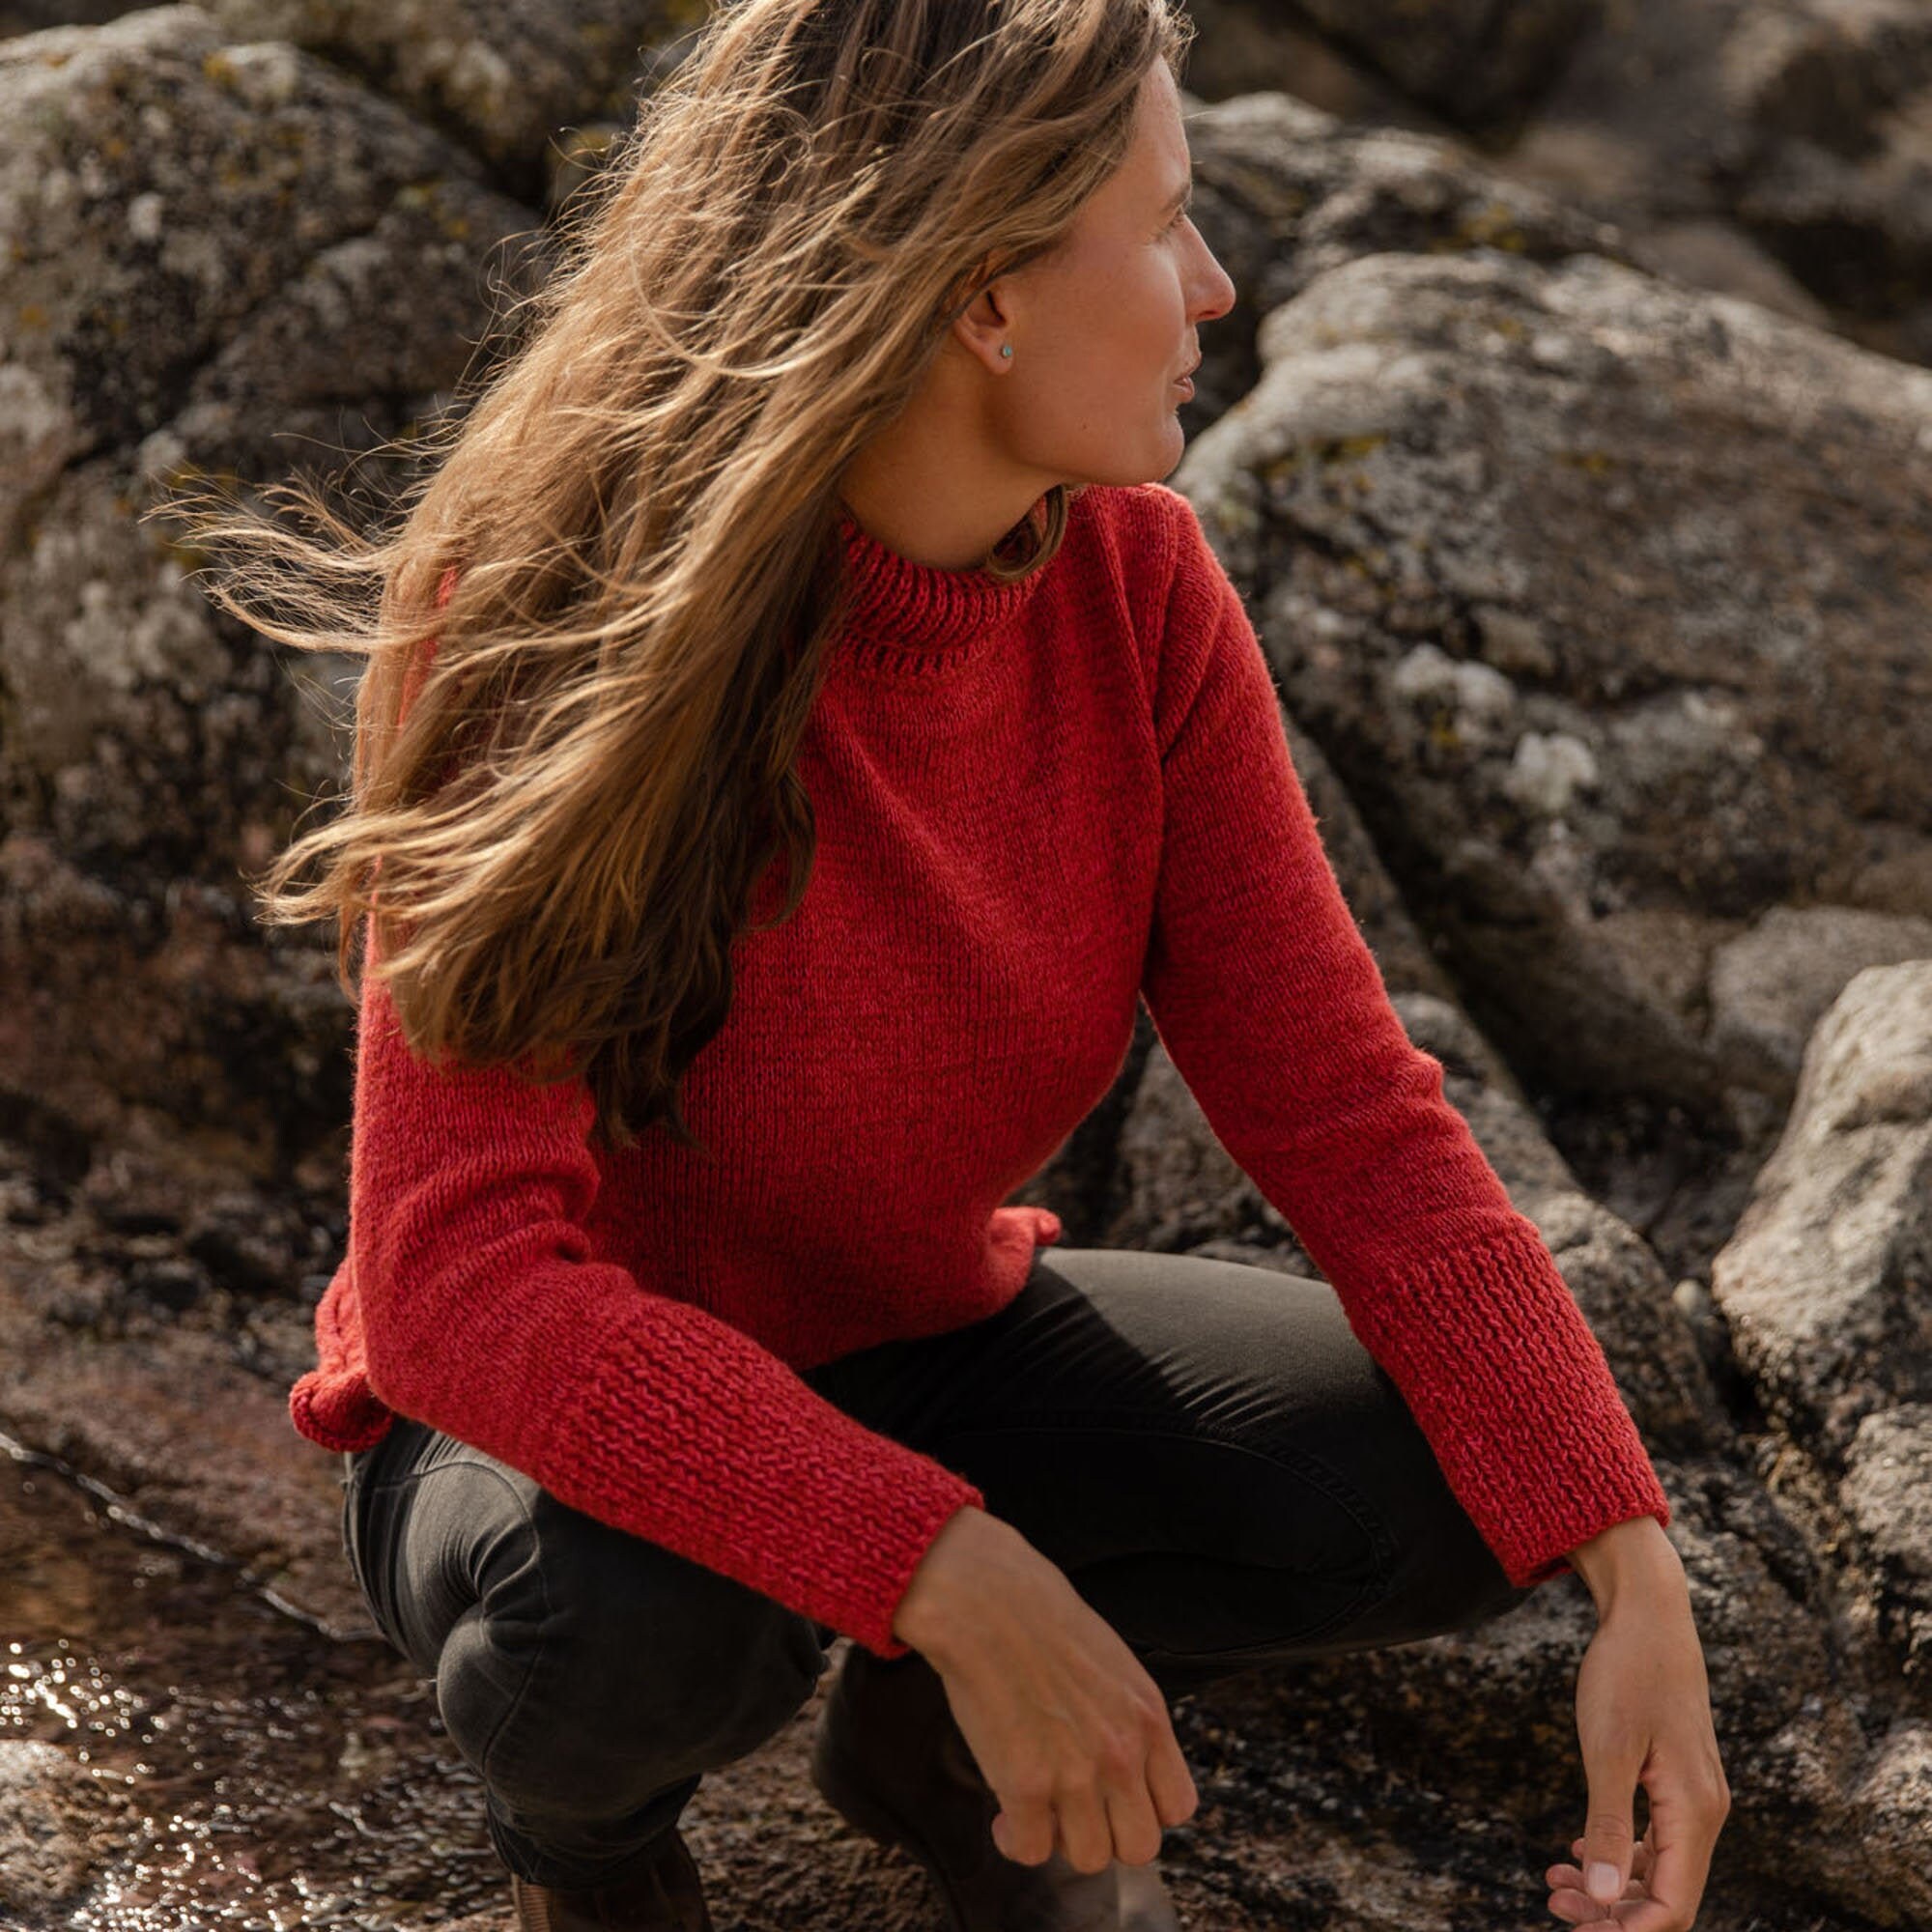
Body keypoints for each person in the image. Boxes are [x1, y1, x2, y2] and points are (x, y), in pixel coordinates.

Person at [170, 2, 1729, 1927]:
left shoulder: (1139, 590)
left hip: (916, 1338)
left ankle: (935, 1757)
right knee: (645, 1615)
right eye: (1165, 223)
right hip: (527, 1432)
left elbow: (1347, 1107)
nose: (1217, 287)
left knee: (1453, 1465)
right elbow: (454, 1285)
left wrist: (1630, 1568)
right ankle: (588, 1848)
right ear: (985, 295)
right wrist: (953, 1569)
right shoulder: (540, 609)